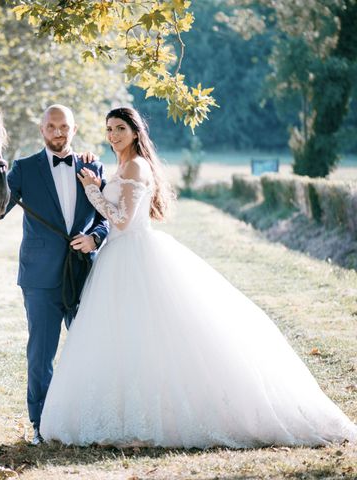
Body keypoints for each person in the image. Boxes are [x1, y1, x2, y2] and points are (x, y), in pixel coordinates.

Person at [39, 106, 357, 448]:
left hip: (133, 254)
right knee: (127, 338)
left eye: (119, 128)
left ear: (135, 132)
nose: (113, 135)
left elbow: (122, 220)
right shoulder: (123, 165)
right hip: (117, 258)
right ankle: (127, 412)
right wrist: (97, 179)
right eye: (109, 129)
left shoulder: (136, 165)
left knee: (152, 336)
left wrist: (92, 190)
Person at [4, 105, 109, 445]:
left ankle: (91, 419)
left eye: (64, 126)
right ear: (42, 129)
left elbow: (108, 214)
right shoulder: (23, 169)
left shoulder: (92, 166)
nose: (58, 132)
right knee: (40, 354)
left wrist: (95, 237)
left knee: (91, 350)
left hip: (83, 272)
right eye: (51, 126)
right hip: (40, 277)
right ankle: (41, 425)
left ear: (74, 129)